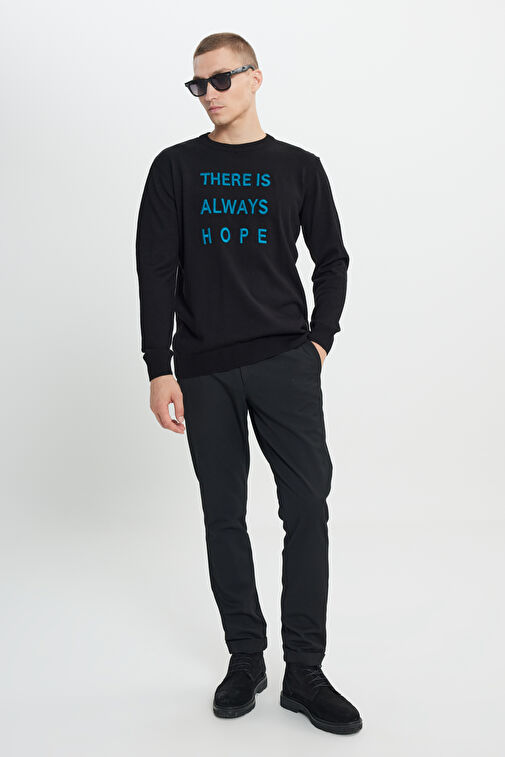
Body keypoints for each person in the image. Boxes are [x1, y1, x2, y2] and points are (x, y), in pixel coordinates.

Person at [135, 32, 362, 735]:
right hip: (203, 370)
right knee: (223, 515)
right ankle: (245, 658)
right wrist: (158, 365)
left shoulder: (298, 168)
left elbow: (332, 259)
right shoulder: (175, 168)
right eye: (197, 84)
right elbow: (156, 270)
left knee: (307, 510)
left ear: (255, 78)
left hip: (284, 362)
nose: (207, 94)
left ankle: (306, 672)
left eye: (220, 80)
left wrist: (318, 341)